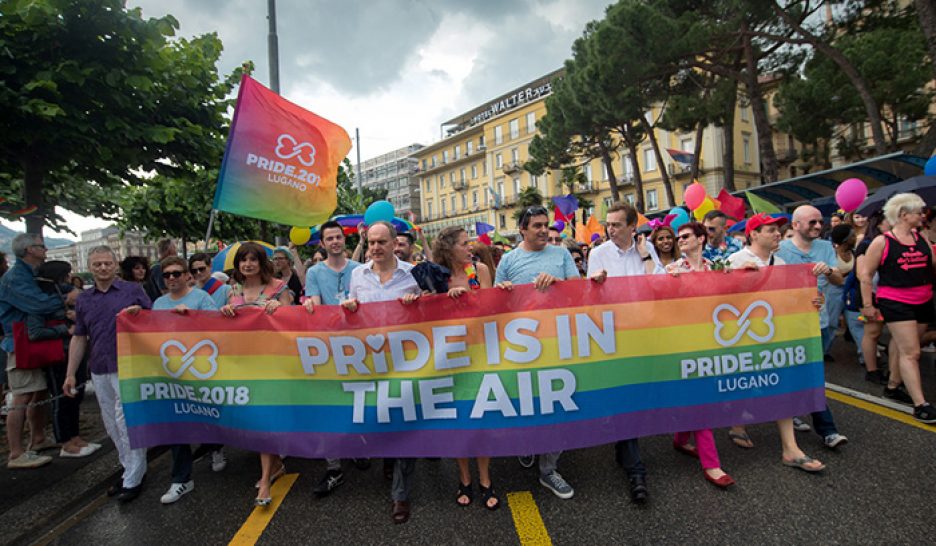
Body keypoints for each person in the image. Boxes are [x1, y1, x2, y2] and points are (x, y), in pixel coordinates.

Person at [725, 214, 826, 473]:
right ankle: (738, 422)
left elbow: (788, 301)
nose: (777, 234)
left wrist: (812, 301)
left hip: (775, 336)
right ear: (753, 234)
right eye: (770, 230)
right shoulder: (733, 261)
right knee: (745, 383)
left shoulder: (780, 262)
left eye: (778, 230)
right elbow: (721, 303)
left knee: (782, 384)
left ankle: (790, 448)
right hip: (743, 336)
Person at [496, 206, 579, 501]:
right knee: (527, 402)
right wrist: (503, 290)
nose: (544, 230)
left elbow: (578, 291)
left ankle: (549, 470)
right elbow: (496, 305)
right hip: (522, 348)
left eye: (546, 225)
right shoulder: (508, 260)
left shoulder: (561, 255)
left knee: (557, 403)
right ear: (523, 229)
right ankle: (528, 443)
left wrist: (558, 283)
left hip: (557, 343)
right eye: (537, 226)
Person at [340, 221, 421, 524]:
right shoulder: (357, 275)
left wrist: (419, 303)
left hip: (406, 362)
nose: (375, 248)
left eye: (381, 242)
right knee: (382, 416)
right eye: (370, 242)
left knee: (404, 421)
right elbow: (353, 314)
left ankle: (400, 494)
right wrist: (349, 308)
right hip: (371, 361)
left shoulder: (412, 274)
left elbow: (431, 315)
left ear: (393, 243)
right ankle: (388, 457)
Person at [64, 245, 150, 501]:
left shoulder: (132, 290)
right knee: (111, 424)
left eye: (107, 263)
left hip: (129, 366)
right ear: (90, 268)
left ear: (115, 265)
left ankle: (133, 478)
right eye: (97, 264)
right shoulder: (85, 300)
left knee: (127, 423)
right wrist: (70, 373)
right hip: (99, 369)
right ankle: (130, 470)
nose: (102, 268)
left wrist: (140, 315)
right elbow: (79, 337)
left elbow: (153, 320)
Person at [586, 202, 657, 503]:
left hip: (643, 332)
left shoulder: (646, 249)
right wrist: (596, 285)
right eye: (608, 224)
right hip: (612, 335)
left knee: (636, 396)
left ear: (632, 226)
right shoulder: (598, 253)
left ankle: (623, 444)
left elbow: (660, 283)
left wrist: (645, 256)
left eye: (616, 224)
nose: (610, 229)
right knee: (625, 397)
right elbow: (589, 295)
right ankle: (636, 471)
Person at [430, 227, 498, 510]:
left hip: (480, 353)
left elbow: (492, 308)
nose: (469, 247)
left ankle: (485, 479)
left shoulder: (479, 270)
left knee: (480, 418)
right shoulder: (436, 274)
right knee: (458, 419)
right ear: (448, 249)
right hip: (449, 357)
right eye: (463, 243)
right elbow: (426, 313)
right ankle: (464, 479)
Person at [219, 243, 293, 506]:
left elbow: (294, 322)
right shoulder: (233, 290)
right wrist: (226, 312)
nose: (247, 264)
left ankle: (264, 482)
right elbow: (225, 323)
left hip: (273, 363)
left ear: (262, 262)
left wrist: (280, 309)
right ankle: (275, 466)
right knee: (257, 418)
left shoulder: (279, 288)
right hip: (244, 363)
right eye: (243, 260)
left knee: (265, 418)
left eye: (253, 259)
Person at [663, 222, 735, 487]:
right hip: (684, 343)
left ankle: (681, 439)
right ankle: (711, 463)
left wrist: (748, 274)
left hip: (713, 341)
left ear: (701, 239)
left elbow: (734, 293)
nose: (679, 240)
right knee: (701, 399)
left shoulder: (717, 267)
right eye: (678, 237)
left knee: (701, 396)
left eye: (685, 236)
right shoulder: (671, 271)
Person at [301, 220, 366, 497]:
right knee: (329, 404)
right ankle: (333, 466)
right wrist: (309, 305)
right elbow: (314, 301)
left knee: (357, 400)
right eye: (330, 239)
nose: (335, 242)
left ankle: (358, 448)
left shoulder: (359, 270)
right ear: (323, 244)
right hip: (327, 347)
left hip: (357, 346)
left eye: (339, 237)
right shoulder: (314, 272)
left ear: (344, 239)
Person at [858, 193, 936, 424]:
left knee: (904, 348)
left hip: (923, 299)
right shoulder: (883, 241)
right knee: (912, 352)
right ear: (903, 214)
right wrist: (868, 305)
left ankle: (893, 385)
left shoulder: (921, 236)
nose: (923, 216)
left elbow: (931, 264)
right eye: (919, 212)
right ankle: (920, 404)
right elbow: (865, 275)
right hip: (896, 302)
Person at [776, 205, 849, 447]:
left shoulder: (826, 248)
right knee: (809, 376)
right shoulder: (781, 251)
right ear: (796, 225)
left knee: (808, 374)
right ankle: (828, 431)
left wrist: (828, 271)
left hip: (818, 322)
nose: (818, 226)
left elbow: (838, 279)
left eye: (820, 222)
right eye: (812, 223)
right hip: (788, 325)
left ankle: (794, 411)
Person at [151, 256, 222, 504]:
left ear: (186, 275)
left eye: (177, 273)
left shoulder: (201, 298)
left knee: (208, 414)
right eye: (167, 274)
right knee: (176, 422)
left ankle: (215, 447)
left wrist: (191, 316)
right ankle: (182, 479)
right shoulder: (158, 303)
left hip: (201, 369)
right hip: (172, 373)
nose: (172, 278)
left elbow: (217, 328)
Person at [0, 234, 72, 469]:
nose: (45, 250)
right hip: (19, 343)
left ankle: (37, 439)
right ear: (29, 249)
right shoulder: (15, 278)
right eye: (41, 246)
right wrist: (65, 300)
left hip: (31, 342)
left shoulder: (29, 274)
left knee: (38, 392)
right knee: (21, 395)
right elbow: (39, 304)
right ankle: (16, 453)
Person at [30, 261, 101, 458]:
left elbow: (77, 296)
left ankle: (75, 436)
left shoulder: (62, 293)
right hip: (57, 353)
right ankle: (65, 441)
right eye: (67, 274)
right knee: (61, 398)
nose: (70, 278)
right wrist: (65, 327)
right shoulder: (39, 300)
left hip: (73, 351)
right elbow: (34, 331)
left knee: (76, 395)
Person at [827, 225, 864, 366]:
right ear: (845, 239)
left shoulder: (855, 253)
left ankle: (865, 356)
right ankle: (824, 351)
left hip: (851, 292)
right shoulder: (831, 253)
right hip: (833, 291)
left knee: (857, 323)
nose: (855, 238)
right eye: (853, 236)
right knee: (831, 323)